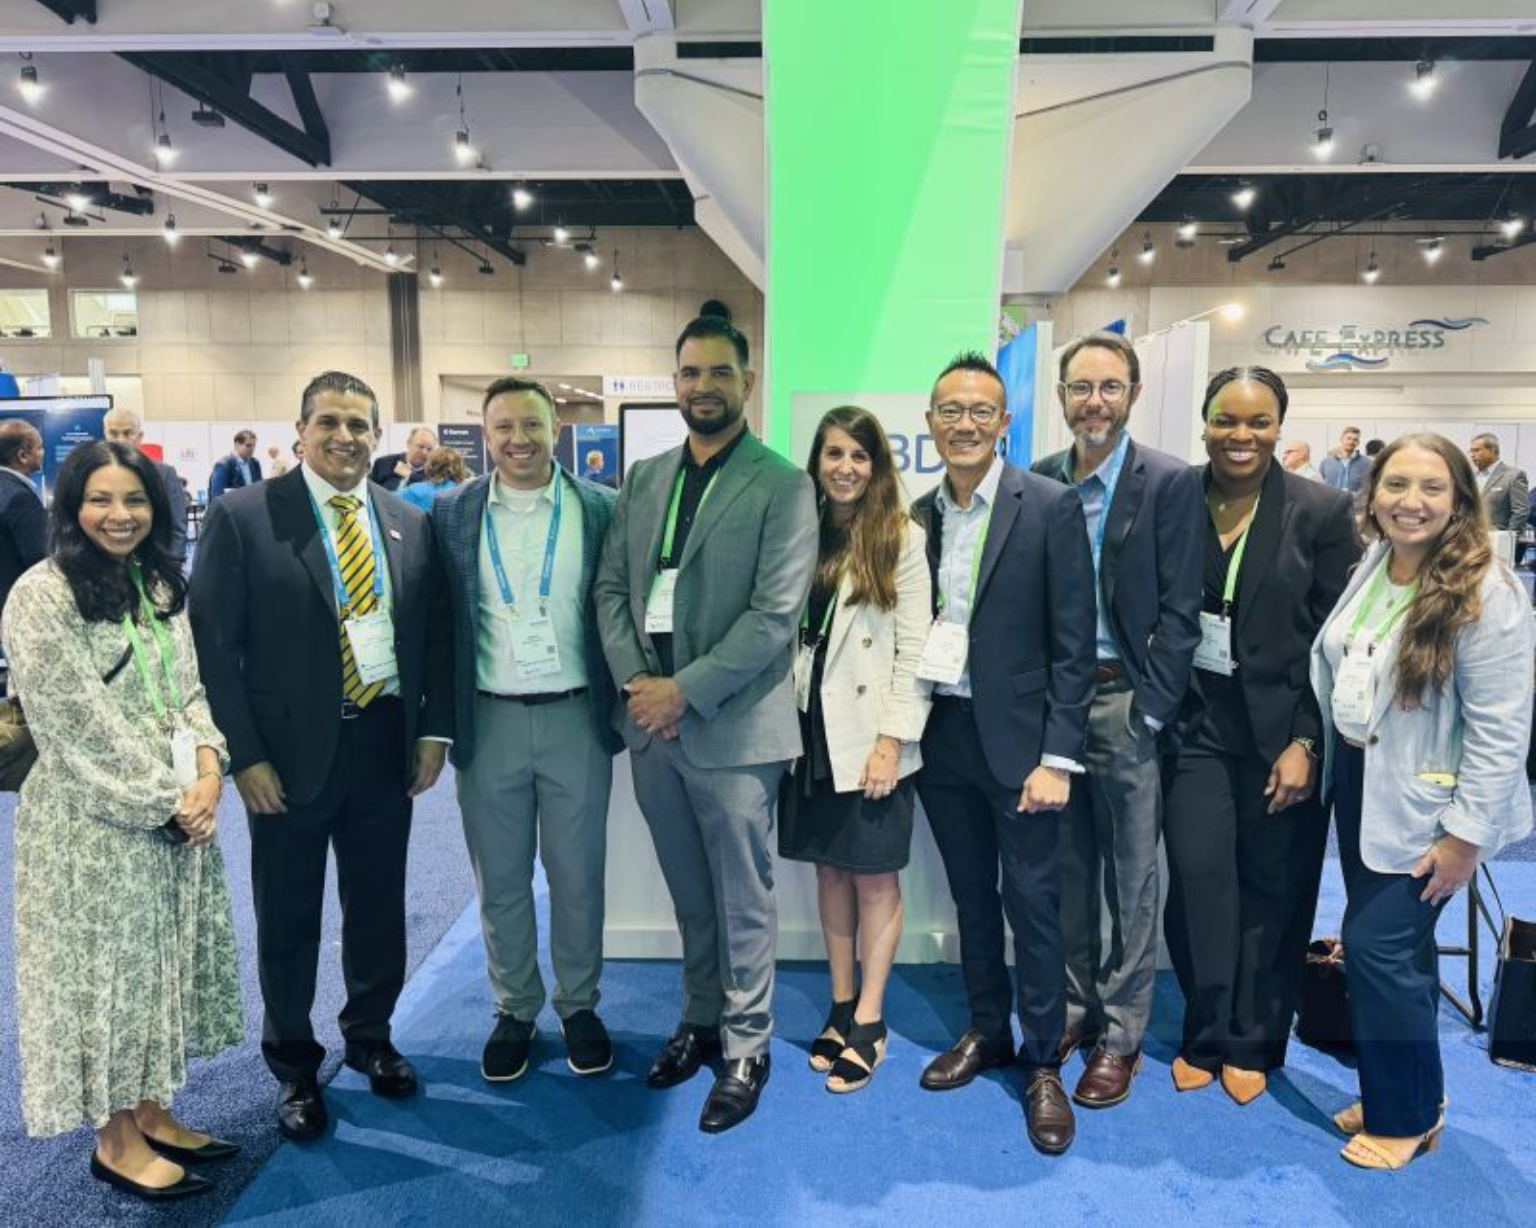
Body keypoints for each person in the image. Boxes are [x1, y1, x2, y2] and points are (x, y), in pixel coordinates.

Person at [188, 371, 452, 1143]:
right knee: (289, 914)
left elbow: (432, 636)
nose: (346, 436)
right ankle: (294, 1064)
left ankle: (371, 1037)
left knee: (377, 907)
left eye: (361, 424)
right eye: (330, 421)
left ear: (379, 436)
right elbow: (215, 647)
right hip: (287, 758)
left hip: (383, 745)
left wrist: (432, 734)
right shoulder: (245, 517)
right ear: (300, 431)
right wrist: (243, 758)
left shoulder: (406, 520)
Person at [594, 314, 817, 1133]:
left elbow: (772, 617)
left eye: (720, 373)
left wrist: (682, 690)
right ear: (675, 380)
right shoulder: (646, 478)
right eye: (690, 373)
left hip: (732, 732)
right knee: (690, 891)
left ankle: (748, 1044)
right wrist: (635, 684)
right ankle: (698, 1018)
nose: (703, 387)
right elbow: (613, 592)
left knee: (744, 897)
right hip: (651, 727)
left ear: (747, 382)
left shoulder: (783, 484)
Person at [6, 441, 240, 1202]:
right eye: (101, 500)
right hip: (94, 830)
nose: (120, 515)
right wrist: (166, 801)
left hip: (175, 817)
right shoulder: (41, 596)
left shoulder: (158, 584)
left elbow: (191, 691)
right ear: (71, 507)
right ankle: (114, 1141)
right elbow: (76, 723)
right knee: (105, 981)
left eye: (135, 501)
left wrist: (208, 771)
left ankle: (150, 1109)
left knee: (155, 975)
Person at [1312, 432, 1533, 1169]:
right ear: (1371, 495)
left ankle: (1405, 1118)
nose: (1411, 502)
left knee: (1381, 955)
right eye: (1396, 485)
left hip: (1435, 812)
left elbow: (1504, 730)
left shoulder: (1488, 593)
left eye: (1432, 488)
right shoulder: (1379, 563)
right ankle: (1398, 1093)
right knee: (1386, 952)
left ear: (1460, 500)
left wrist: (1465, 837)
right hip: (1364, 785)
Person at [913, 351, 1096, 1155]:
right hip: (942, 735)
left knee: (1035, 905)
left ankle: (1043, 1060)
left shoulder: (1048, 505)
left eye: (980, 411)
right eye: (950, 410)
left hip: (1022, 748)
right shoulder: (916, 514)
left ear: (1006, 423)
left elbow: (1073, 643)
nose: (965, 423)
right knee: (971, 898)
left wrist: (1058, 756)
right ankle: (986, 1029)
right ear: (930, 423)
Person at [1162, 367, 1360, 1105]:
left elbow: (1336, 639)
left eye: (1257, 422)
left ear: (1280, 425)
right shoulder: (1173, 496)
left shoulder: (1324, 510)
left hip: (1286, 732)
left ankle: (1255, 1038)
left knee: (1275, 888)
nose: (1240, 436)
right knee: (1200, 880)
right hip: (1195, 725)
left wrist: (1309, 741)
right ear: (1205, 422)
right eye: (1225, 420)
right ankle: (1205, 1029)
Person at [431, 378, 621, 1083]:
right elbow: (438, 624)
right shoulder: (452, 511)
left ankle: (579, 1006)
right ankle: (515, 1008)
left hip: (577, 716)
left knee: (577, 878)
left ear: (556, 429)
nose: (519, 439)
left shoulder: (599, 507)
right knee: (501, 880)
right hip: (489, 718)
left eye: (532, 425)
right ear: (485, 434)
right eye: (504, 426)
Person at [1031, 331, 1202, 1109]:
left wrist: (1154, 710)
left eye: (1108, 386)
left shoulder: (1167, 483)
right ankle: (1072, 1009)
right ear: (1062, 396)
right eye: (1079, 387)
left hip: (1130, 704)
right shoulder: (1037, 483)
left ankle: (1121, 1034)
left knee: (1133, 880)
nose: (1092, 401)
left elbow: (1181, 610)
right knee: (1066, 872)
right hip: (1056, 711)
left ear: (1131, 393)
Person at [779, 406, 931, 1094]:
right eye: (833, 453)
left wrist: (892, 742)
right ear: (816, 461)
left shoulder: (901, 536)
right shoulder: (798, 533)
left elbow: (914, 652)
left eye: (859, 456)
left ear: (878, 465)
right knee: (830, 874)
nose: (844, 467)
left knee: (874, 879)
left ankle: (870, 1020)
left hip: (871, 736)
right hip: (808, 732)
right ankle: (841, 1003)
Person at [104, 407, 189, 562]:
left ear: (139, 436)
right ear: (105, 434)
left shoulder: (164, 474)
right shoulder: (95, 475)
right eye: (114, 433)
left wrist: (174, 566)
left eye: (128, 433)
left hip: (155, 564)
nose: (121, 440)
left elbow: (178, 526)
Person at [0, 420, 46, 630]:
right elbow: (41, 563)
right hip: (16, 614)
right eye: (40, 447)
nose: (42, 453)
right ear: (23, 456)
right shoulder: (21, 498)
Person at [1468, 432, 1529, 534]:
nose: (1472, 455)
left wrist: (1507, 539)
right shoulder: (1472, 477)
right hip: (1472, 539)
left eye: (1476, 450)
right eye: (1471, 451)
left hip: (1498, 541)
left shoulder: (1514, 476)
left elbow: (1520, 512)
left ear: (1492, 450)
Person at [400, 446, 468, 511]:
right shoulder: (466, 494)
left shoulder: (414, 491)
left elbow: (392, 503)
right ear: (460, 467)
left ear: (430, 464)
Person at [370, 426, 437, 491]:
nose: (424, 452)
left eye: (429, 449)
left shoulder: (435, 472)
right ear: (408, 443)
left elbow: (434, 491)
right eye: (420, 446)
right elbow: (369, 491)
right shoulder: (383, 463)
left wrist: (411, 476)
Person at [208, 429, 261, 499]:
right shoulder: (223, 465)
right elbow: (217, 496)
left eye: (254, 445)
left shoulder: (255, 464)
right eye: (248, 446)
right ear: (237, 445)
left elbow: (260, 489)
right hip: (232, 509)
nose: (252, 449)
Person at [1319, 426, 1369, 495]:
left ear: (1358, 442)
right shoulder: (1326, 462)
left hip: (1353, 504)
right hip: (1330, 503)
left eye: (1355, 440)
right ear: (1341, 439)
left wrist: (1352, 495)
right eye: (1348, 438)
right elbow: (1320, 484)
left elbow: (1368, 487)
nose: (1351, 441)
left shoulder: (1367, 463)